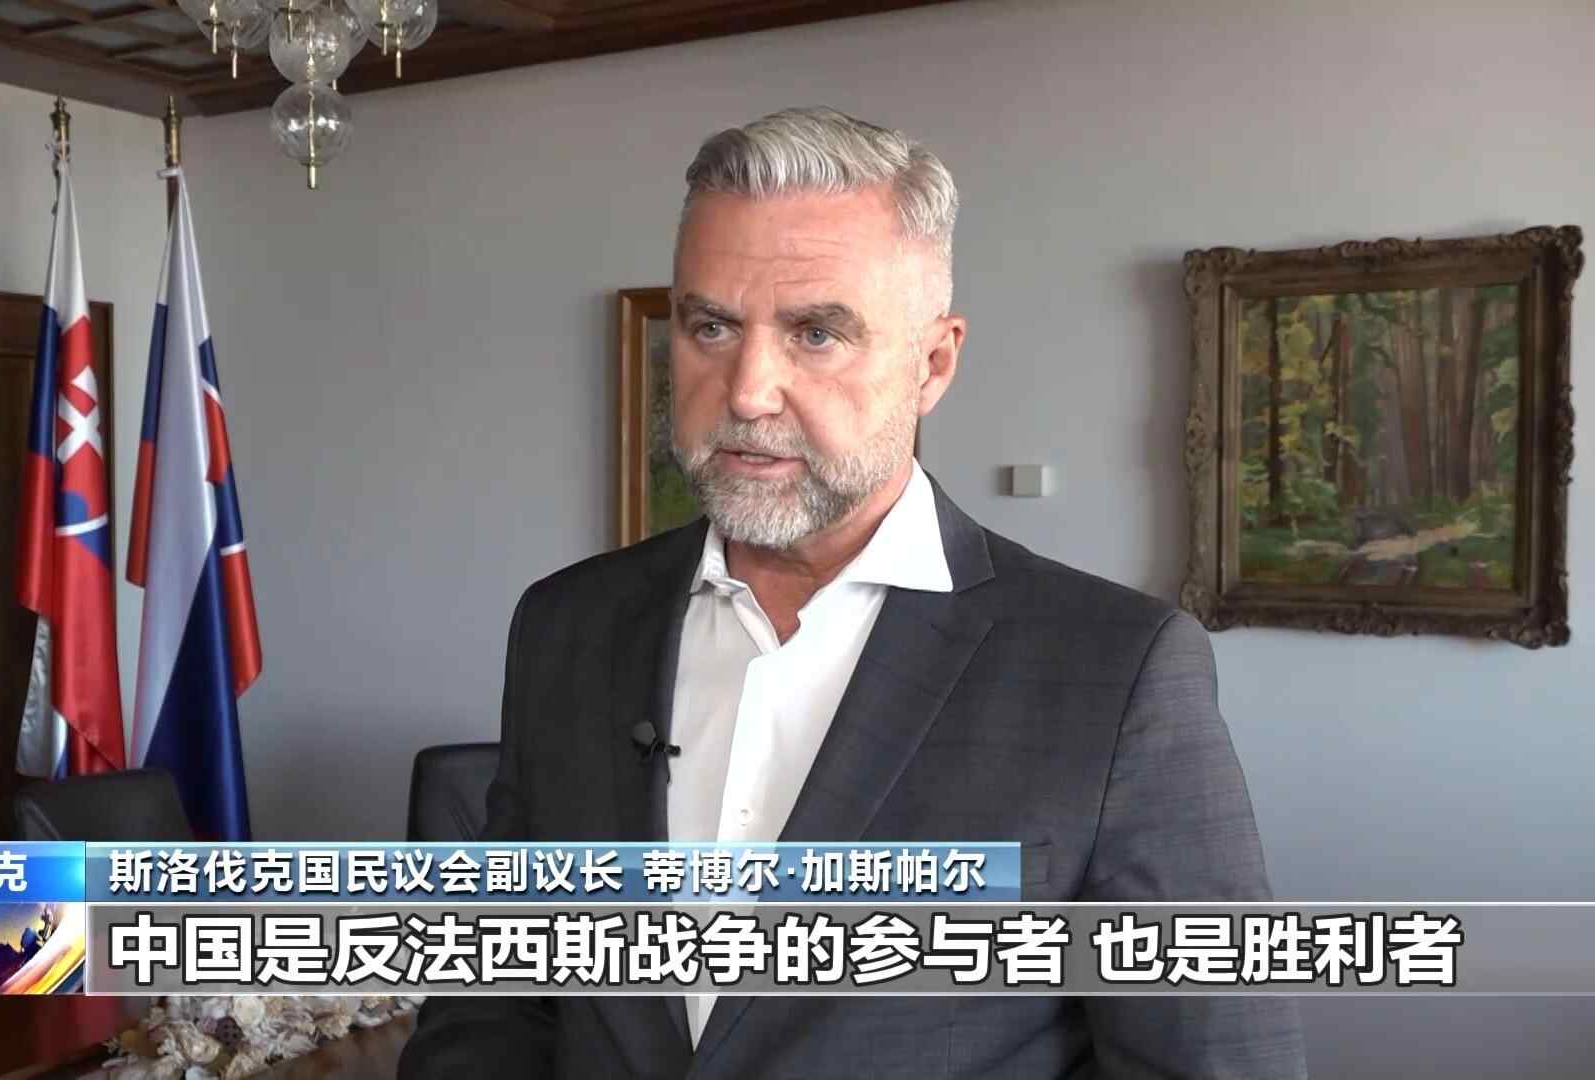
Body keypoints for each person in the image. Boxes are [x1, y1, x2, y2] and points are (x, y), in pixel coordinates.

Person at [398, 106, 1306, 1079]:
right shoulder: (567, 625)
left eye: (817, 333)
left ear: (934, 362)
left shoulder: (1115, 674)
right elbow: (492, 1003)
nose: (748, 390)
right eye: (711, 326)